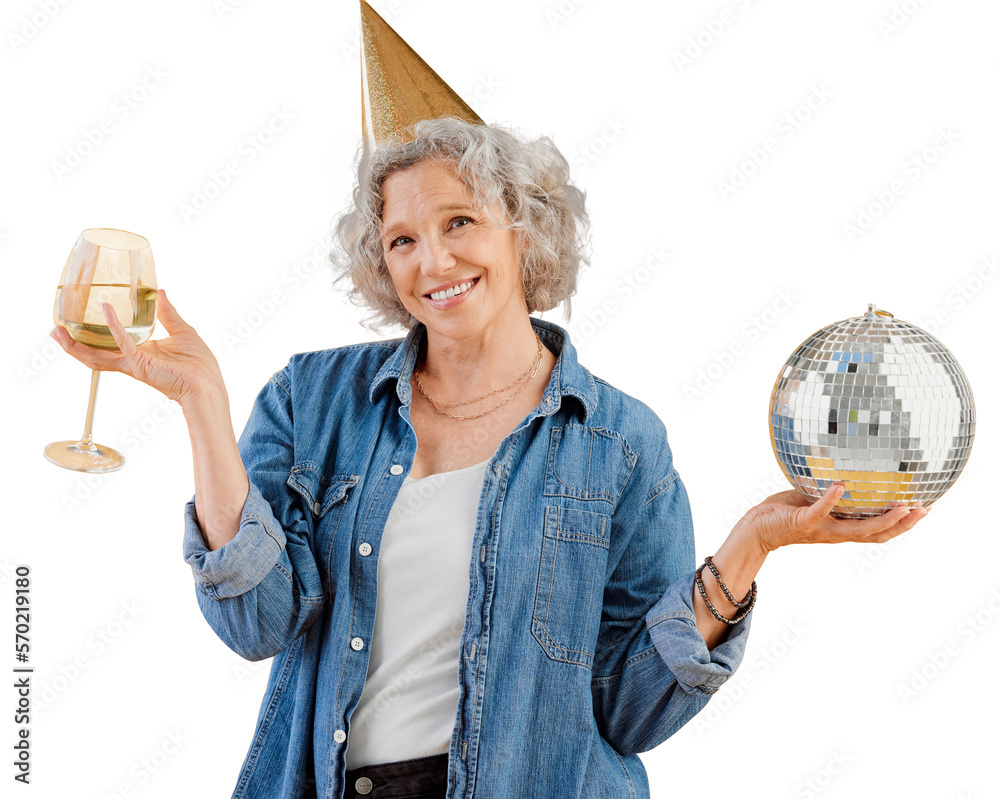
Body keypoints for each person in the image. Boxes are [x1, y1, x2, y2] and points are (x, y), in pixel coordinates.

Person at [49, 115, 929, 799]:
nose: (432, 260)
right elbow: (258, 625)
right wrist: (203, 404)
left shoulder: (619, 441)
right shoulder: (311, 400)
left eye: (460, 221)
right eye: (401, 239)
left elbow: (628, 710)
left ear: (523, 231)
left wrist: (751, 546)